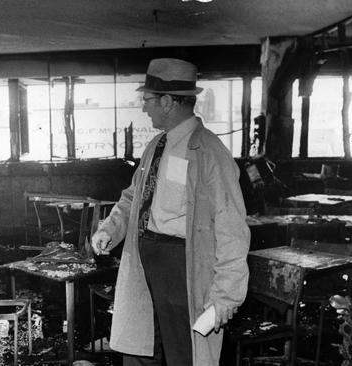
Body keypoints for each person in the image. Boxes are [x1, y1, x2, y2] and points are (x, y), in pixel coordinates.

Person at [91, 58, 250, 366]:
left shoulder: (210, 152)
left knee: (183, 355)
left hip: (183, 268)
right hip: (144, 260)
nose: (143, 107)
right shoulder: (156, 146)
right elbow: (133, 197)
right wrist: (111, 228)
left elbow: (232, 228)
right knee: (139, 350)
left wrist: (226, 296)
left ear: (166, 102)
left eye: (147, 100)